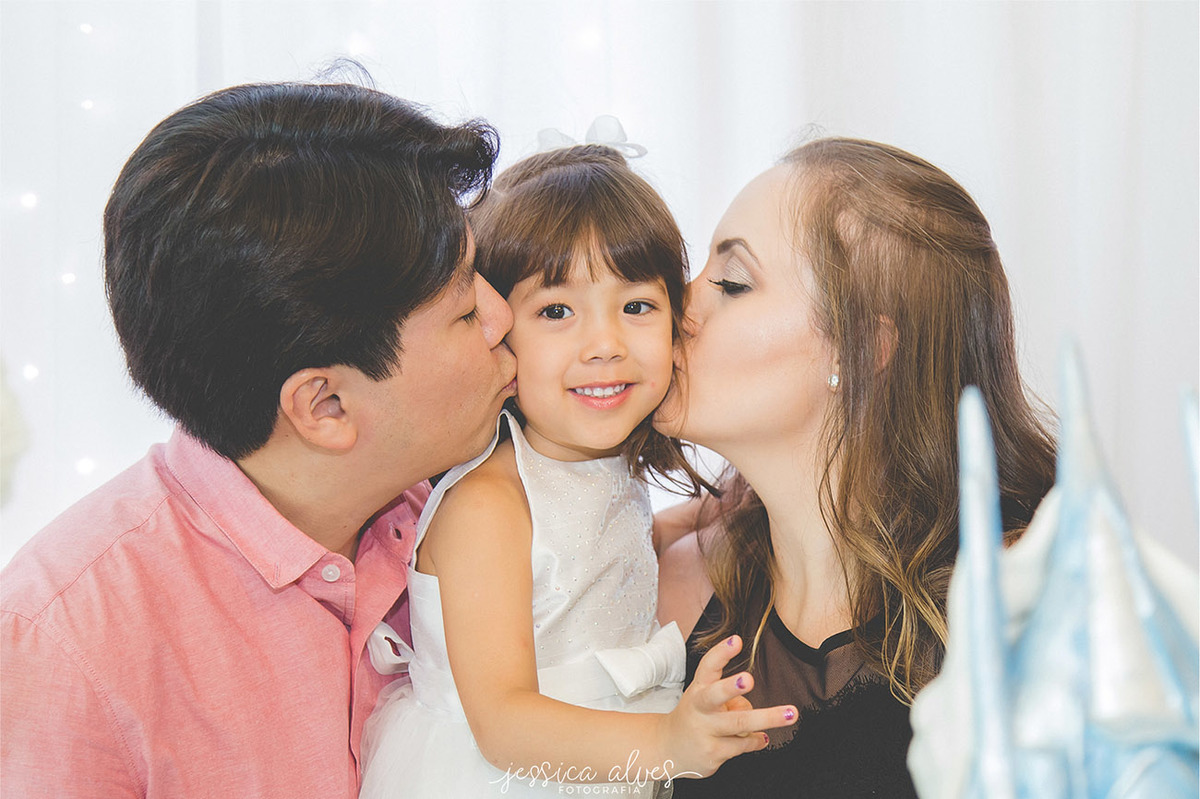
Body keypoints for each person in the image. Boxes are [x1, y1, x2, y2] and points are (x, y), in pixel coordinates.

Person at [0, 80, 517, 798]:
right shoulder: (65, 649)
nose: (503, 316)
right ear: (325, 405)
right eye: (465, 311)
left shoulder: (480, 494)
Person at [359, 144, 797, 798]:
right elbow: (503, 723)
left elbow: (596, 559)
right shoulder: (487, 506)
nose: (605, 345)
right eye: (557, 312)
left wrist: (711, 511)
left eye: (637, 306)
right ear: (497, 331)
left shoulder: (602, 464)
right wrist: (666, 743)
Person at [655, 137, 1058, 796]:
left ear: (862, 347)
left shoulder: (1017, 616)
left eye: (731, 283)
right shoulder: (680, 589)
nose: (674, 304)